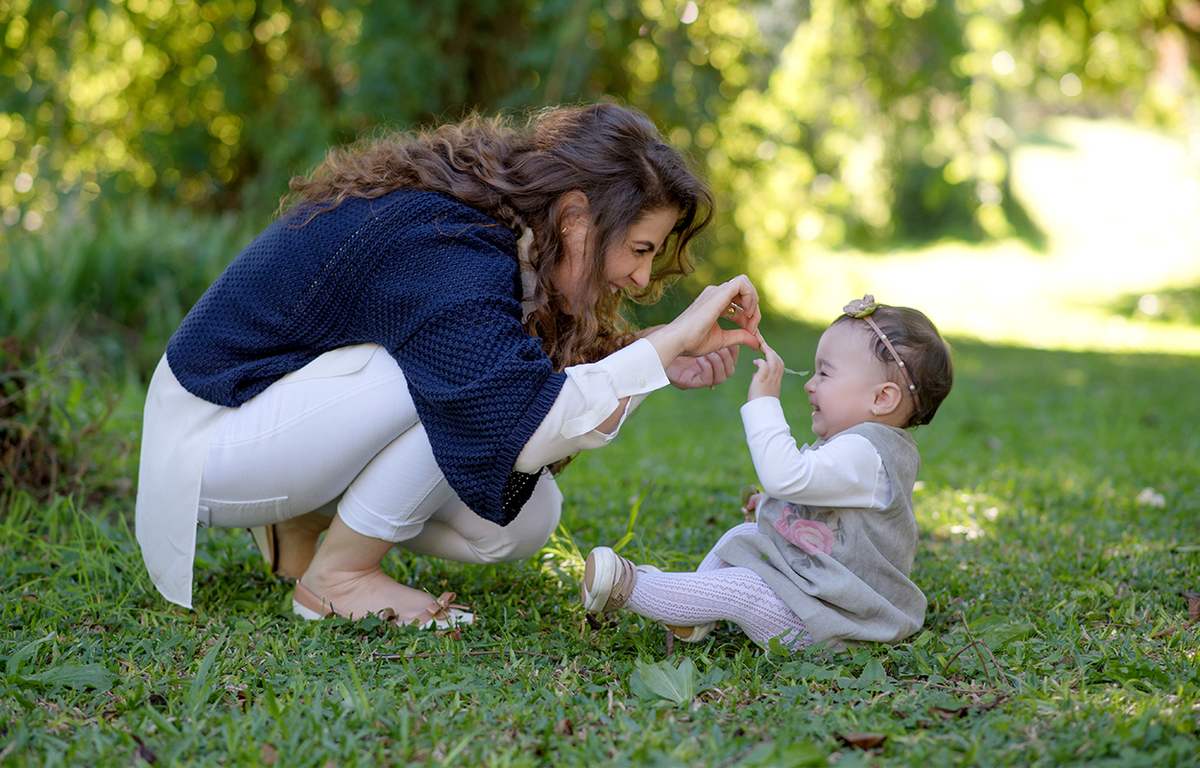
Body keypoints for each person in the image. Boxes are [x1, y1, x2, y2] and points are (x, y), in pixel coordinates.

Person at [135, 102, 764, 628]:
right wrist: (667, 343)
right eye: (639, 249)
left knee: (524, 520)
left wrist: (652, 353)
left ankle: (302, 517)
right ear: (575, 219)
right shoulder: (447, 241)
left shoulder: (500, 234)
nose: (643, 275)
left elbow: (523, 398)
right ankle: (340, 579)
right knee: (445, 384)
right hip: (209, 438)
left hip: (281, 418)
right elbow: (514, 415)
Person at [581, 295, 953, 651]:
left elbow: (787, 475)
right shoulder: (862, 447)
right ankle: (693, 609)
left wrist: (763, 403)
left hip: (837, 622)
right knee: (745, 535)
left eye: (824, 373)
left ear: (881, 399)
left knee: (748, 588)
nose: (810, 383)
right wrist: (778, 507)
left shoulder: (867, 452)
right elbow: (818, 499)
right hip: (817, 592)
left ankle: (629, 588)